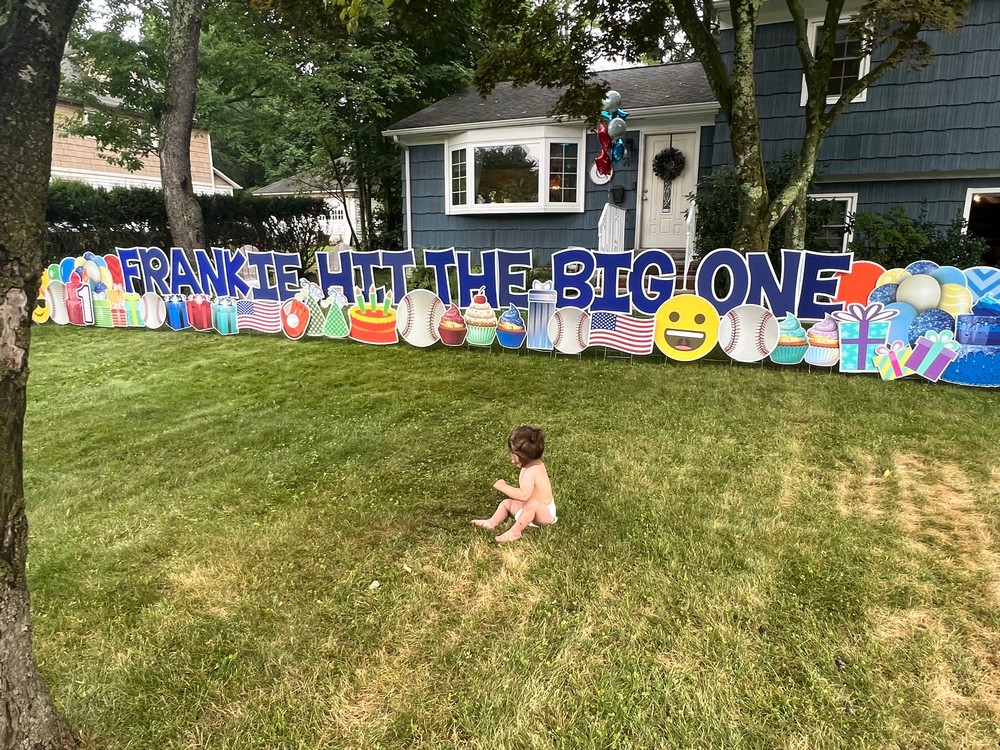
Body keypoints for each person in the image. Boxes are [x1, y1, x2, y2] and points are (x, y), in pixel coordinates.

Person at [472, 425, 557, 543]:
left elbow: (523, 495)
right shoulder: (530, 464)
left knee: (531, 503)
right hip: (527, 508)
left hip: (543, 514)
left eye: (512, 454)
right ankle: (491, 522)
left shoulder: (532, 471)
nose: (511, 457)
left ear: (522, 456)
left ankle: (515, 532)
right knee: (506, 503)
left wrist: (503, 487)